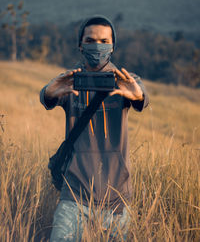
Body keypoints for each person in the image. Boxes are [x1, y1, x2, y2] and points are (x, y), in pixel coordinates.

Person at [40, 15, 149, 241]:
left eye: (104, 41)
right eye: (90, 41)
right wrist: (49, 93)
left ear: (113, 46)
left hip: (116, 198)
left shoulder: (124, 81)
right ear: (80, 44)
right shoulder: (71, 81)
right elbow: (48, 97)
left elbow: (141, 96)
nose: (97, 47)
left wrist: (139, 95)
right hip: (74, 196)